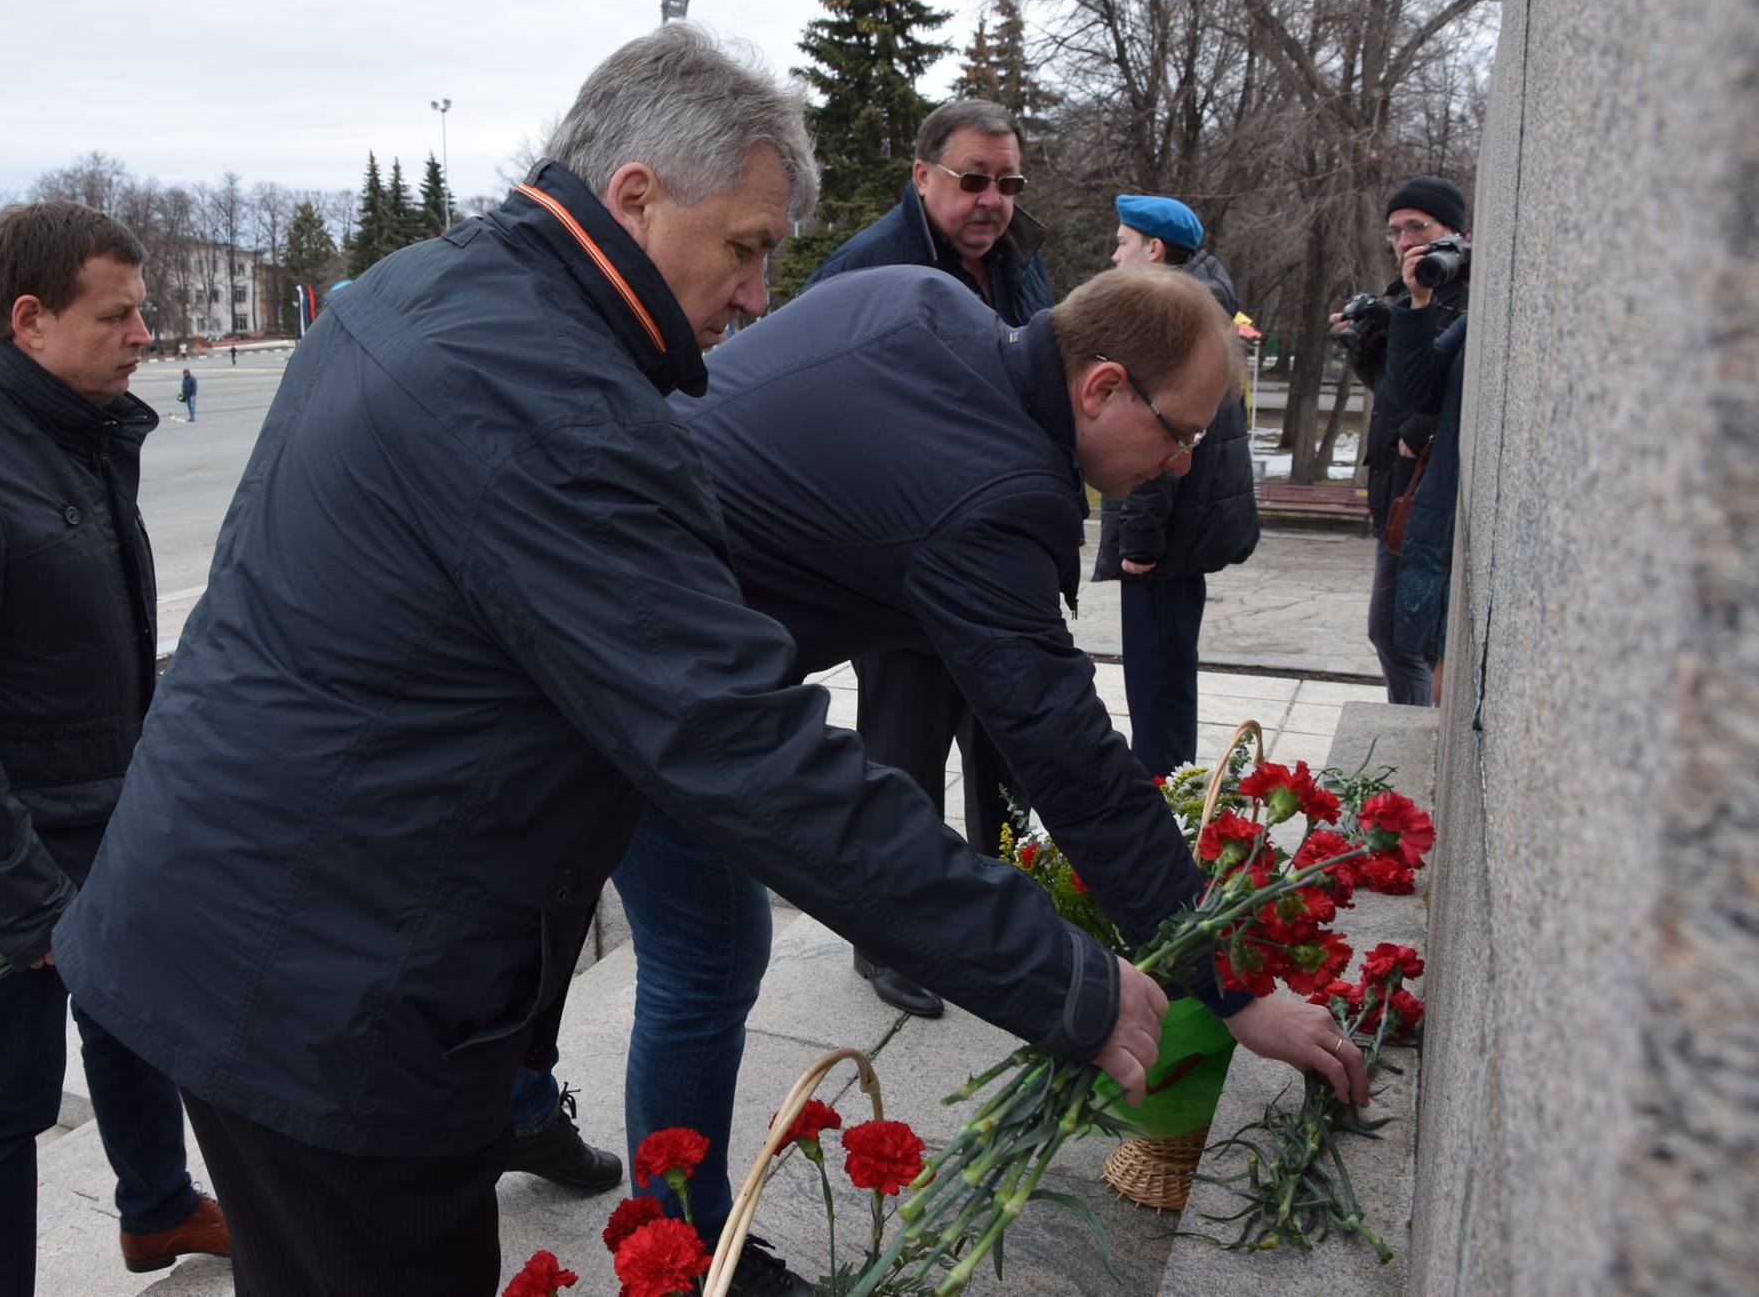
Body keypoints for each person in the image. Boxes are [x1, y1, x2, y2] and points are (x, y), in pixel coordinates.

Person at [53, 26, 1173, 1297]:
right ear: (635, 192)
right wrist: (1066, 982)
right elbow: (742, 746)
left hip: (239, 921)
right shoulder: (557, 409)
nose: (756, 295)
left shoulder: (425, 284)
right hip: (323, 993)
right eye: (746, 247)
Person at [521, 265, 1372, 1288]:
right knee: (708, 953)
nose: (1185, 463)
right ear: (1099, 388)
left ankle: (519, 1106)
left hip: (586, 597)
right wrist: (1232, 991)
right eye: (1177, 431)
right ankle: (689, 1249)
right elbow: (1071, 756)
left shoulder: (926, 301)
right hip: (623, 666)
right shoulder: (993, 493)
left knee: (585, 909)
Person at [0, 201, 229, 1296]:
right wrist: (23, 906)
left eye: (141, 311)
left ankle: (156, 1210)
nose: (143, 334)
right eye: (117, 315)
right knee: (3, 1096)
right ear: (30, 319)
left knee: (134, 1023)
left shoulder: (74, 431)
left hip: (95, 818)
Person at [798, 97, 1054, 1018]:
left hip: (1000, 557)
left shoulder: (1022, 264)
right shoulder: (867, 268)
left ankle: (999, 912)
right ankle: (888, 935)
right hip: (900, 567)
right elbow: (818, 414)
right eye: (974, 180)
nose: (993, 200)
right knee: (904, 755)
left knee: (1010, 740)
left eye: (1008, 182)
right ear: (922, 175)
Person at [1093, 195, 1260, 776]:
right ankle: (1177, 789)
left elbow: (1154, 437)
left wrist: (1137, 540)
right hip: (1186, 532)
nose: (1115, 256)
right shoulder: (1203, 306)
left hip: (1163, 539)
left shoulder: (1167, 318)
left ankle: (1164, 804)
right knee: (1170, 676)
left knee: (1156, 682)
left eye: (1123, 242)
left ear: (1154, 249)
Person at [1332, 175, 1470, 705]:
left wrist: (1416, 434)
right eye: (1395, 231)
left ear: (1452, 232)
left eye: (1418, 227)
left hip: (1423, 491)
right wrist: (1364, 346)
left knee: (1405, 639)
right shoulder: (1407, 295)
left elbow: (1437, 395)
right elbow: (1397, 390)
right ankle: (1410, 727)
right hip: (1394, 487)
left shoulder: (1459, 295)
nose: (1405, 240)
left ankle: (1411, 731)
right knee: (1391, 635)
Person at [1381, 235, 1472, 701]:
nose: (1408, 243)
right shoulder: (1472, 315)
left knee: (1443, 666)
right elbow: (1414, 388)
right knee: (1436, 657)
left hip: (1458, 512)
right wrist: (1417, 302)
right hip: (1443, 516)